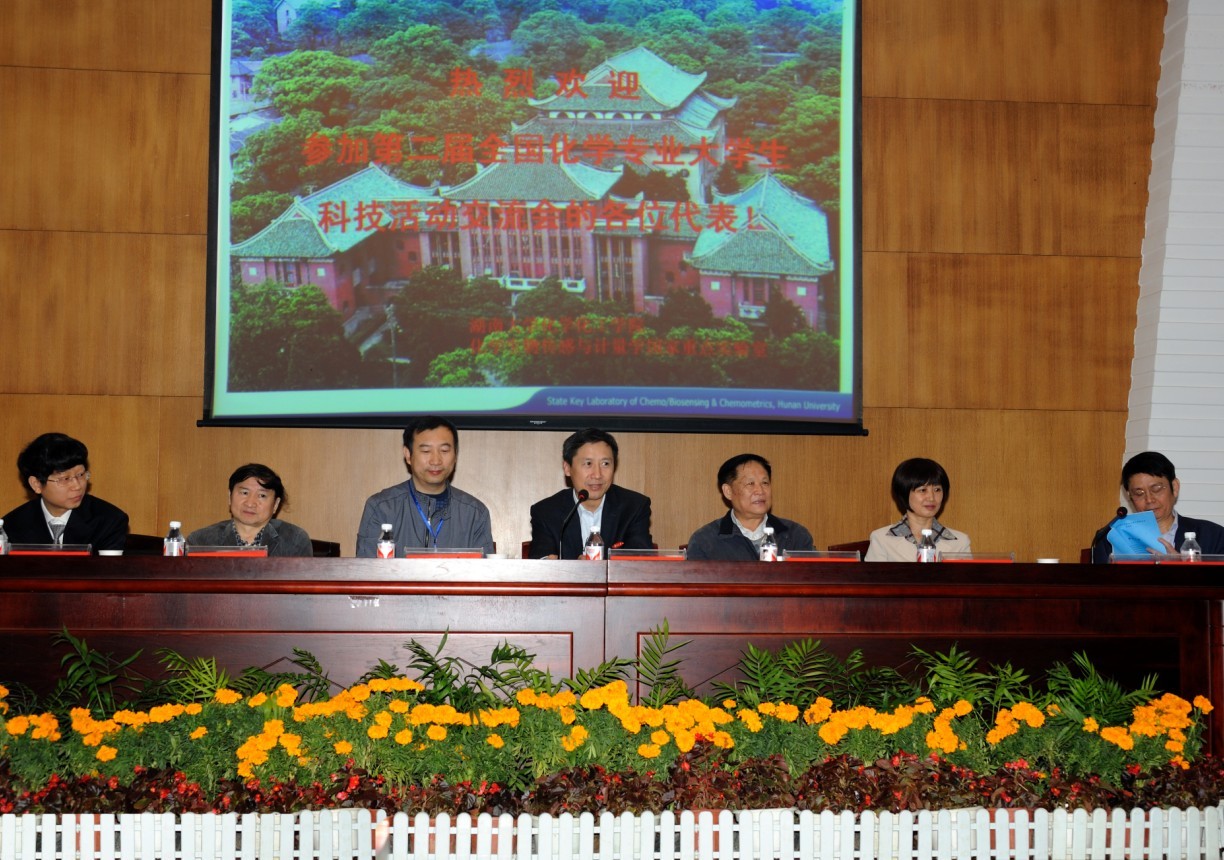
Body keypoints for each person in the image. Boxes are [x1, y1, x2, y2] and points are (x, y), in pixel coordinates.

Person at [356, 416, 494, 557]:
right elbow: (366, 569)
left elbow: (485, 570)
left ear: (455, 455)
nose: (436, 461)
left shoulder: (475, 513)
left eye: (444, 450)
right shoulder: (382, 508)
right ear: (408, 455)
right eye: (426, 451)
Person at [529, 428, 652, 558]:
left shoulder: (634, 507)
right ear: (567, 468)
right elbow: (540, 560)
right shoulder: (546, 512)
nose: (597, 475)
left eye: (605, 464)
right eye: (588, 463)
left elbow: (640, 560)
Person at [2, 433, 129, 552]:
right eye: (65, 479)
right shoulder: (11, 526)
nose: (77, 486)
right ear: (36, 484)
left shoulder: (109, 520)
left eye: (80, 475)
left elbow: (107, 568)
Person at [1091, 451, 1224, 563]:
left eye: (1156, 489)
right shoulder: (1111, 538)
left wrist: (1182, 569)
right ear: (1129, 495)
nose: (1149, 500)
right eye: (1139, 493)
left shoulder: (1213, 535)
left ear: (1175, 487)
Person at [685, 453, 814, 561]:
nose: (760, 491)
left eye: (765, 483)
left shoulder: (795, 535)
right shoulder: (705, 540)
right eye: (750, 483)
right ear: (728, 491)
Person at [186, 464, 312, 556]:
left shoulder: (294, 540)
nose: (250, 503)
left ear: (275, 504)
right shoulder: (200, 541)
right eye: (244, 493)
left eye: (262, 495)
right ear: (230, 497)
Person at [865, 458, 970, 561]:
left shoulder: (960, 543)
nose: (931, 498)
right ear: (904, 493)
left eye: (937, 489)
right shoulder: (881, 540)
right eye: (923, 490)